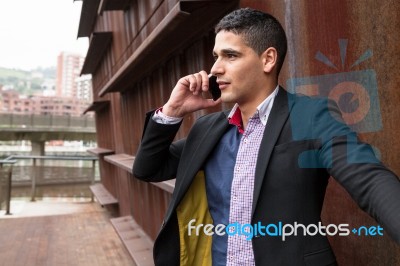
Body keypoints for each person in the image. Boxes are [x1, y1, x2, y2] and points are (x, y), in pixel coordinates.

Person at [133, 7, 400, 265]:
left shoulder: (311, 116)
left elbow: (370, 181)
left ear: (268, 59)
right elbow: (147, 168)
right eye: (216, 56)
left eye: (230, 56)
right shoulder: (209, 129)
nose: (215, 68)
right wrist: (172, 111)